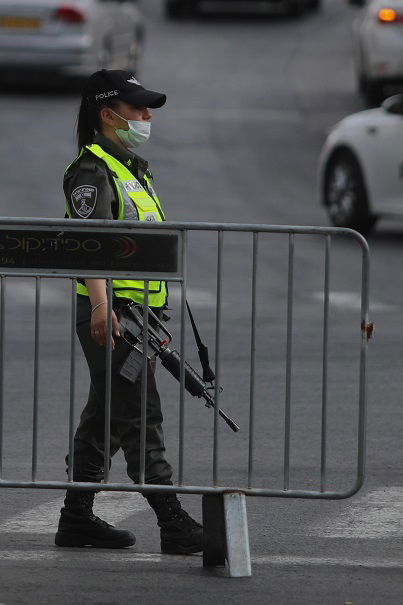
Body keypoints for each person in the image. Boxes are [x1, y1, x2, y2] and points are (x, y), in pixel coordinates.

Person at [56, 69, 203, 554]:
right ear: (108, 114)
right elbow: (86, 245)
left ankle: (75, 519)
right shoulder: (93, 168)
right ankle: (173, 522)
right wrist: (101, 305)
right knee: (141, 416)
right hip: (111, 314)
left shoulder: (134, 167)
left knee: (108, 417)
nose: (146, 116)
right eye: (137, 108)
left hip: (137, 318)